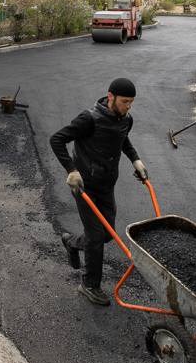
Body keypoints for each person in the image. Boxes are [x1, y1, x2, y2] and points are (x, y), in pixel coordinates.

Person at [51, 77, 149, 306]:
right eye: (125, 101)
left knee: (106, 235)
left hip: (107, 184)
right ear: (111, 96)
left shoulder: (127, 119)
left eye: (131, 102)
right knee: (96, 236)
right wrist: (71, 170)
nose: (128, 107)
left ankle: (72, 242)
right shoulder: (89, 119)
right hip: (85, 185)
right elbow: (57, 139)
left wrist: (136, 160)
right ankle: (89, 285)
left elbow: (122, 139)